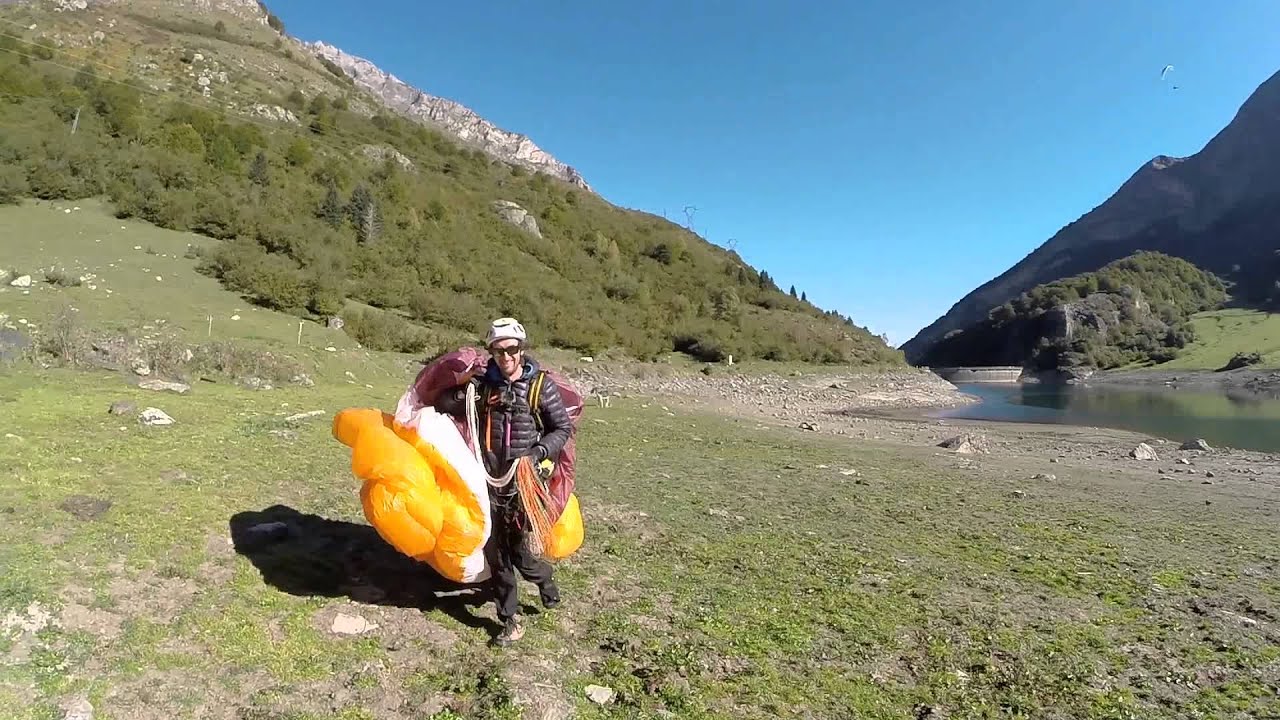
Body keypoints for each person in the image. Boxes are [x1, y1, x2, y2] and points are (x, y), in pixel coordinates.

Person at [434, 317, 576, 646]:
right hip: (488, 481)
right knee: (495, 552)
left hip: (524, 483)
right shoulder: (483, 386)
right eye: (498, 351)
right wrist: (462, 383)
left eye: (511, 350)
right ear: (491, 353)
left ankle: (544, 580)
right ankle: (510, 619)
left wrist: (538, 451)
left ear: (521, 350)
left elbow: (562, 428)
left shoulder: (540, 385)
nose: (506, 357)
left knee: (520, 553)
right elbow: (444, 404)